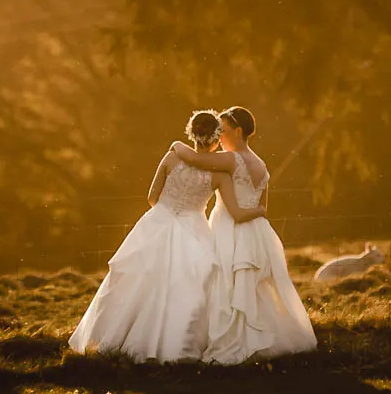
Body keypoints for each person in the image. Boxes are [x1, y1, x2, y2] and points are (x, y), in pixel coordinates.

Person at [69, 110, 266, 362]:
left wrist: (170, 210)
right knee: (188, 287)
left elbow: (152, 198)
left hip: (157, 222)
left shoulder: (171, 158)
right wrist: (258, 208)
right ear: (216, 138)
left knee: (140, 280)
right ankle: (176, 347)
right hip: (194, 228)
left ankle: (113, 341)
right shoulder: (219, 174)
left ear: (192, 133)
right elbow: (235, 210)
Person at [170, 105, 317, 363]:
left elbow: (195, 159)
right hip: (256, 229)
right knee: (254, 286)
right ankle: (265, 336)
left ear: (237, 131)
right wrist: (255, 212)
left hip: (229, 227)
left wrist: (176, 145)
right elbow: (263, 207)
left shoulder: (232, 159)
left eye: (223, 130)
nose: (218, 135)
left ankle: (232, 338)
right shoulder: (261, 164)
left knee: (225, 283)